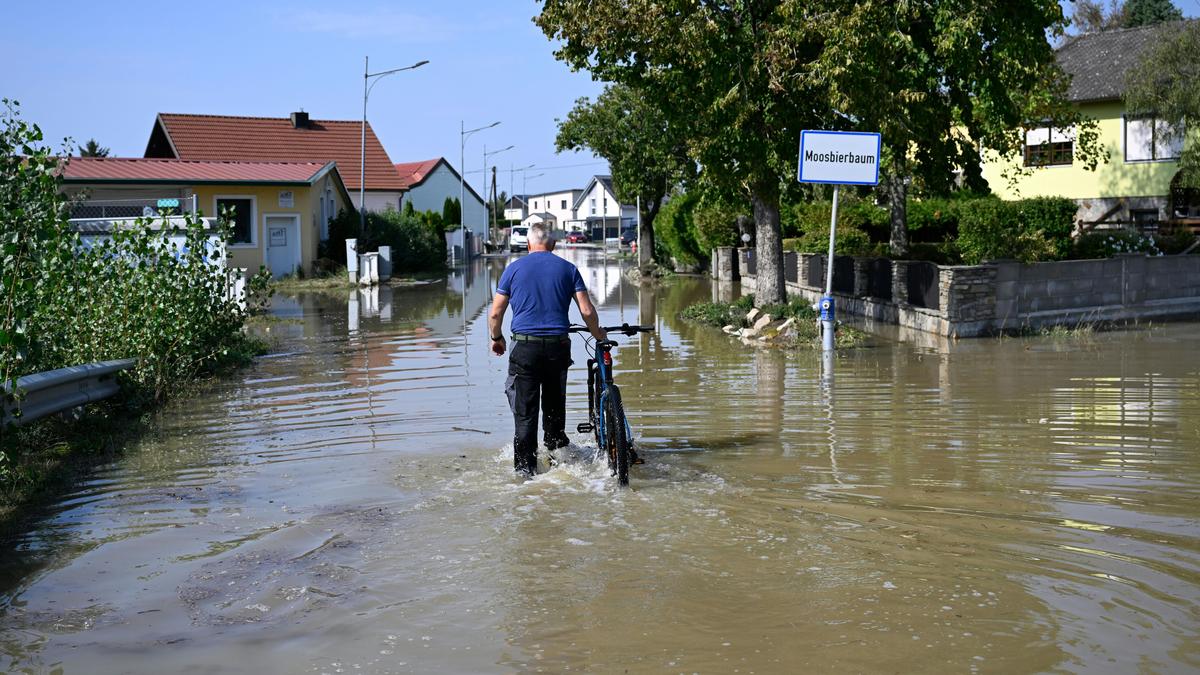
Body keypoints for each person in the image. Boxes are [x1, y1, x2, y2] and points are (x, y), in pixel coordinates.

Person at [488, 223, 606, 477]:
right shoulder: (568, 269)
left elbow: (496, 312)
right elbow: (586, 311)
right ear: (553, 245)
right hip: (557, 348)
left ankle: (524, 473)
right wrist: (599, 335)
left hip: (525, 349)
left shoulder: (512, 270)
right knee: (553, 408)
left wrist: (496, 338)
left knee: (525, 416)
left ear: (528, 244)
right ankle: (558, 459)